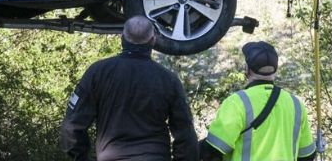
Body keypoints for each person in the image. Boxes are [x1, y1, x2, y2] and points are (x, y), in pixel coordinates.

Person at [61, 16, 198, 161]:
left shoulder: (98, 72)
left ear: (122, 38)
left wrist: (80, 157)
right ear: (153, 41)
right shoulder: (168, 80)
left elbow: (71, 126)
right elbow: (185, 133)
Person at [199, 41, 317, 161]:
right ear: (276, 69)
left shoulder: (237, 102)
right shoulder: (296, 105)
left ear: (247, 69)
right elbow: (307, 155)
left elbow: (214, 149)